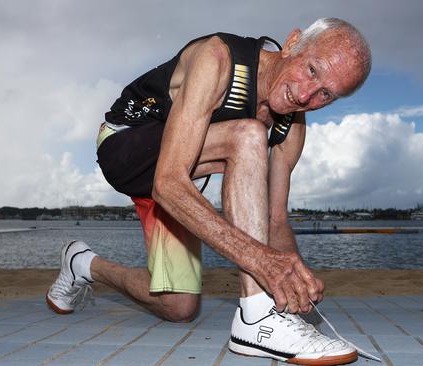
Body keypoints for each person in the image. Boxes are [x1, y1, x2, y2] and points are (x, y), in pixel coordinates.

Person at [46, 17, 371, 365]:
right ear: (292, 44)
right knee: (247, 135)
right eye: (311, 70)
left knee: (179, 306)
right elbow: (168, 182)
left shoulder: (291, 127)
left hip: (185, 177)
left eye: (327, 95)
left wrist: (295, 283)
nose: (307, 95)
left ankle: (82, 264)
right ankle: (255, 316)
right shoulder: (217, 59)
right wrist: (262, 263)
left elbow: (276, 218)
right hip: (127, 147)